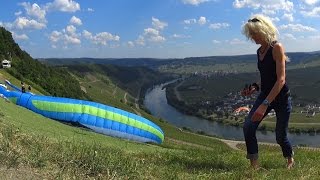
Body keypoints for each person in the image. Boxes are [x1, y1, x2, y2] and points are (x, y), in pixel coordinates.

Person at [241, 14, 294, 169]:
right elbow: (266, 77)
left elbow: (281, 79)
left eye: (254, 33)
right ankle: (254, 166)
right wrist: (254, 88)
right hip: (265, 95)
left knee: (280, 136)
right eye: (250, 33)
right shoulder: (259, 51)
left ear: (264, 30)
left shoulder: (276, 47)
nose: (252, 37)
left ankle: (290, 159)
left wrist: (264, 104)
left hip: (281, 97)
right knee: (248, 127)